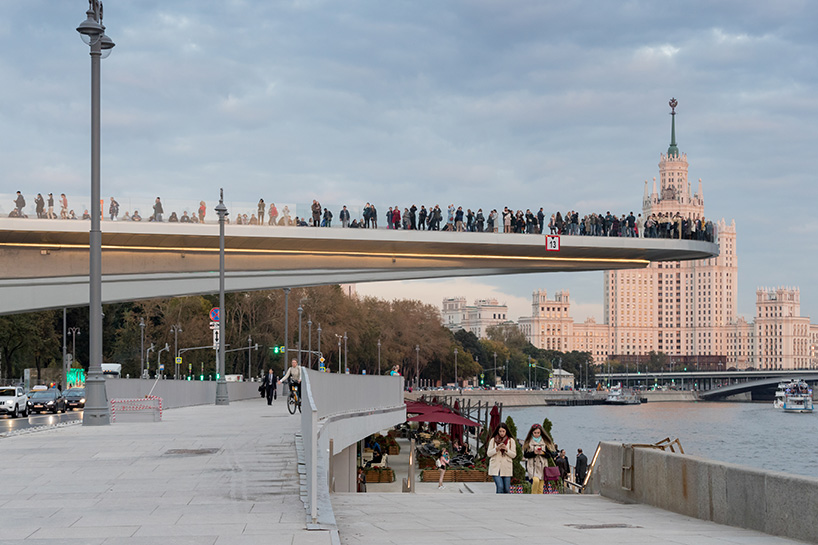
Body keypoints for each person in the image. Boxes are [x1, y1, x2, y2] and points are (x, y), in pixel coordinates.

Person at [523, 424, 555, 494]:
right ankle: (533, 495)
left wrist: (542, 453)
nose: (536, 434)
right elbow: (525, 455)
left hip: (542, 466)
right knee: (536, 481)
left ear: (541, 433)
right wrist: (534, 453)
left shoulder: (545, 442)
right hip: (532, 466)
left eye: (538, 433)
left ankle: (539, 501)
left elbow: (550, 455)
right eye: (535, 433)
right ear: (532, 433)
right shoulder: (528, 442)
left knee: (541, 488)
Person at [487, 423, 516, 493]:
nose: (502, 433)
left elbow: (514, 455)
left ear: (506, 431)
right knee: (500, 486)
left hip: (506, 467)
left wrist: (506, 449)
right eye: (500, 431)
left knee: (507, 489)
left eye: (503, 431)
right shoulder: (493, 440)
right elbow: (488, 453)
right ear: (497, 431)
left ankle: (506, 502)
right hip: (495, 467)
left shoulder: (511, 441)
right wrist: (496, 449)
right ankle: (498, 502)